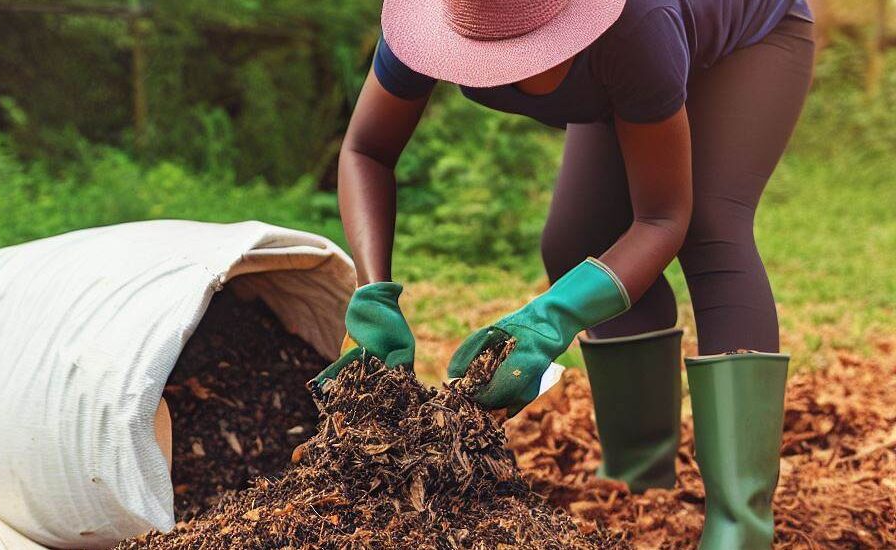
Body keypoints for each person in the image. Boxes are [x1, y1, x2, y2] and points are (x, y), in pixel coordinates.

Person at [313, 0, 815, 547]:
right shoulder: (431, 20)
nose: (503, 69)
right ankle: (639, 473)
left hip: (752, 39)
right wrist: (373, 294)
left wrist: (553, 317)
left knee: (712, 229)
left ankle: (740, 521)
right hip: (638, 66)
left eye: (521, 53)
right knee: (574, 240)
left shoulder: (633, 25)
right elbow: (365, 150)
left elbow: (664, 217)